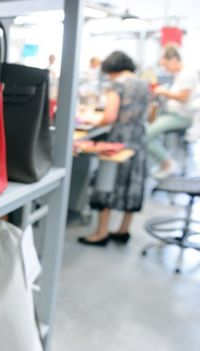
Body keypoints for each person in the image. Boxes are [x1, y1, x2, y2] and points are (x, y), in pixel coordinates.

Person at [79, 51, 150, 246]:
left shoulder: (117, 84)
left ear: (112, 69)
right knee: (133, 183)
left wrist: (92, 120)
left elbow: (109, 117)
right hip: (139, 137)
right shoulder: (144, 83)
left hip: (120, 138)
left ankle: (101, 232)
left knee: (107, 181)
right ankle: (123, 230)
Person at [148, 45, 198, 179]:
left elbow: (184, 97)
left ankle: (167, 163)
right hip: (174, 114)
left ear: (174, 59)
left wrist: (163, 91)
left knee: (146, 135)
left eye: (166, 64)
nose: (165, 69)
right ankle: (165, 162)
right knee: (151, 133)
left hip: (181, 116)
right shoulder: (180, 75)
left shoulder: (187, 74)